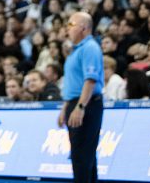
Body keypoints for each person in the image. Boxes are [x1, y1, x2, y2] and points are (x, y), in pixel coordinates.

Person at [58, 12, 104, 183]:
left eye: (71, 25)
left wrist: (80, 107)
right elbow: (73, 83)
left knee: (81, 156)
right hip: (75, 102)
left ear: (83, 28)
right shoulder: (76, 50)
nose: (67, 29)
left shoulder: (90, 48)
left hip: (87, 104)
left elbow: (90, 81)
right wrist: (65, 107)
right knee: (85, 155)